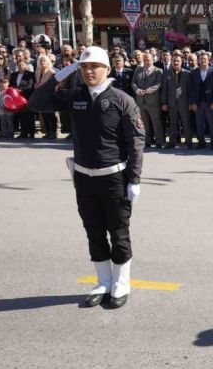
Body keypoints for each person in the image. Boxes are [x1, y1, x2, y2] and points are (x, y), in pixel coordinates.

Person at [28, 46, 145, 308]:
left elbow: (136, 142)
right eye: (84, 67)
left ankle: (121, 283)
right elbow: (36, 102)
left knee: (118, 232)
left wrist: (134, 180)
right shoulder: (75, 96)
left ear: (107, 69)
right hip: (83, 177)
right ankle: (103, 281)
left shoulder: (121, 99)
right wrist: (62, 72)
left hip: (113, 178)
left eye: (94, 66)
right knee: (93, 231)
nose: (89, 71)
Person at [161, 53, 194, 149]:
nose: (176, 62)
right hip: (171, 104)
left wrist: (191, 103)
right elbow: (164, 90)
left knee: (186, 123)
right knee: (173, 124)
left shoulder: (187, 74)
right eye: (174, 61)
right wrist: (164, 103)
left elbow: (190, 90)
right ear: (171, 62)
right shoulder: (167, 73)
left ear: (181, 62)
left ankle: (189, 142)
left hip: (185, 103)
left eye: (178, 61)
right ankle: (172, 143)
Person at [132, 52, 164, 148]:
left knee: (156, 123)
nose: (147, 61)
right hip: (140, 102)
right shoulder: (138, 70)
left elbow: (158, 84)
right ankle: (147, 141)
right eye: (145, 60)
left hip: (153, 102)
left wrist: (146, 91)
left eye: (149, 60)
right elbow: (133, 83)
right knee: (144, 123)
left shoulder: (158, 71)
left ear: (153, 60)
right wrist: (137, 90)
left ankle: (159, 142)